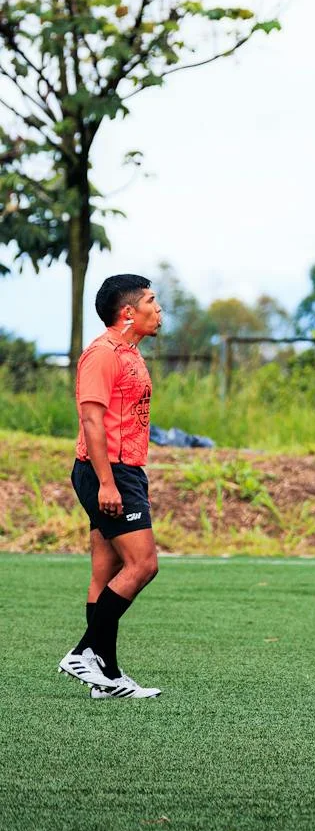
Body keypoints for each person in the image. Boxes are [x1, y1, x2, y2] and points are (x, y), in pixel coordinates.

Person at [57, 273, 165, 699]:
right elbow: (91, 421)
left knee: (106, 571)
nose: (158, 310)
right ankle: (84, 654)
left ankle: (107, 677)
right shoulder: (101, 354)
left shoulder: (131, 353)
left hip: (124, 471)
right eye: (152, 302)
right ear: (128, 312)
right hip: (109, 472)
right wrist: (107, 482)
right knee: (143, 565)